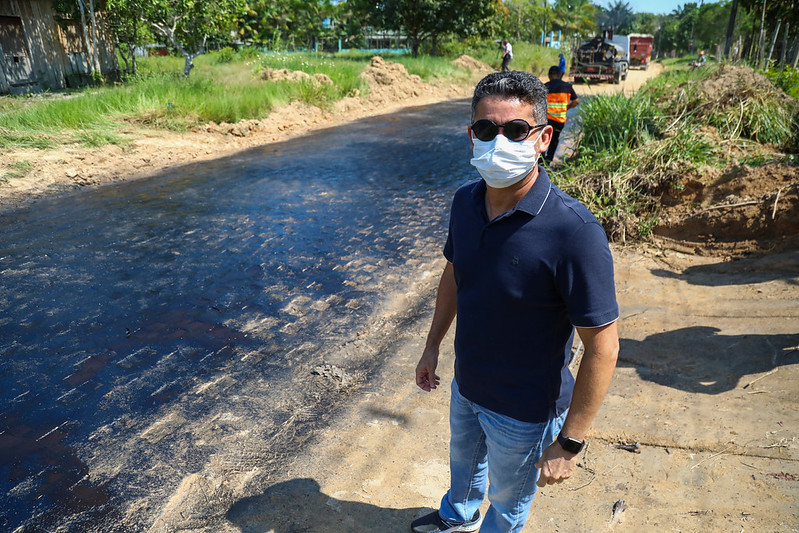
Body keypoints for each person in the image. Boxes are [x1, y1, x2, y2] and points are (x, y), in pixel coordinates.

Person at [411, 70, 619, 533]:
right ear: (471, 136)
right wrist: (432, 347)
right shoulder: (465, 203)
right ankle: (457, 518)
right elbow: (454, 274)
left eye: (515, 130)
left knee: (507, 504)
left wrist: (570, 442)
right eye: (486, 129)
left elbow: (604, 346)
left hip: (525, 413)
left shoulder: (574, 232)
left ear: (543, 138)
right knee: (463, 471)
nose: (498, 140)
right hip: (467, 385)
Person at [544, 65, 579, 164]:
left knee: (543, 138)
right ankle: (548, 160)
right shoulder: (568, 87)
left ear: (549, 75)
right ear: (560, 75)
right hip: (559, 119)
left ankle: (541, 160)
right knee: (554, 139)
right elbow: (576, 101)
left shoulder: (545, 86)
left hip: (546, 119)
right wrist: (566, 108)